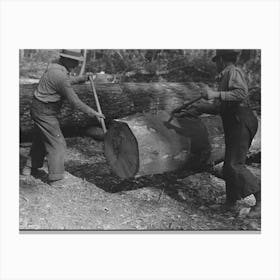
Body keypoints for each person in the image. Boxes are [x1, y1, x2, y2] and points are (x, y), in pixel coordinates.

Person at [173, 50, 261, 217]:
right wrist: (196, 109)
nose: (216, 65)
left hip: (240, 120)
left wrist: (214, 94)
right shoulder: (225, 77)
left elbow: (241, 93)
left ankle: (262, 200)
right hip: (234, 121)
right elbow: (219, 107)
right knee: (229, 164)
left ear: (221, 60)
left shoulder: (232, 71)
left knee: (235, 165)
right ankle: (231, 202)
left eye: (216, 62)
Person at [22, 49, 105, 186]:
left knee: (42, 139)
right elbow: (75, 101)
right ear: (66, 60)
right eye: (74, 61)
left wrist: (81, 79)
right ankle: (56, 178)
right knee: (57, 143)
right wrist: (94, 113)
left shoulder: (54, 68)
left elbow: (64, 81)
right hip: (44, 111)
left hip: (39, 108)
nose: (77, 64)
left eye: (78, 61)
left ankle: (29, 168)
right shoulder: (59, 76)